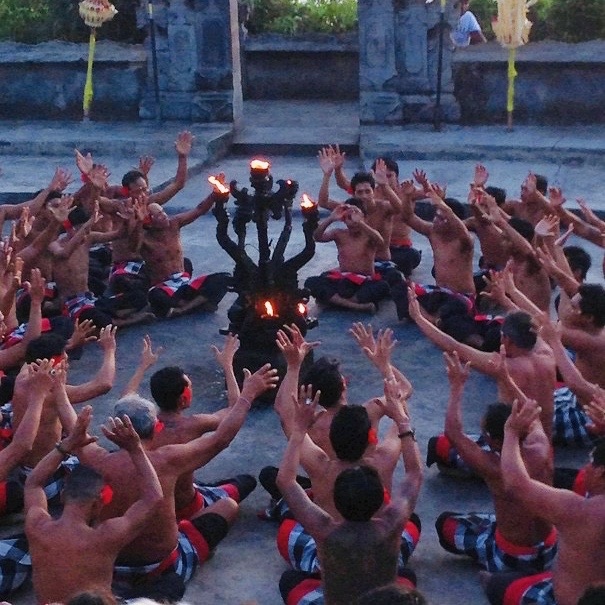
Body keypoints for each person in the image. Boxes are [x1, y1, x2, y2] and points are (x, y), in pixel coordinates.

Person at [69, 365, 278, 601]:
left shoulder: (96, 459)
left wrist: (55, 391)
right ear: (155, 426)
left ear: (116, 431)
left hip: (114, 565)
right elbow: (222, 438)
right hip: (164, 562)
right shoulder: (168, 459)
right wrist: (247, 394)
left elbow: (70, 424)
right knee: (229, 504)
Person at [277, 378, 423, 605]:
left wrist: (299, 430)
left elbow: (285, 481)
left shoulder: (324, 529)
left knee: (289, 581)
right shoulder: (392, 522)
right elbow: (415, 474)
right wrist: (402, 419)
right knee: (407, 577)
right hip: (383, 600)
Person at [25, 404, 163, 605]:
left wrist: (67, 445)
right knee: (169, 584)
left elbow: (33, 483)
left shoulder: (36, 525)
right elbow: (154, 497)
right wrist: (135, 449)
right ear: (98, 503)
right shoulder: (105, 536)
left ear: (63, 495)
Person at [434, 351, 556, 573]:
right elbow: (531, 409)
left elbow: (454, 432)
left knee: (445, 524)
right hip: (551, 548)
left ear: (494, 439)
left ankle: (497, 578)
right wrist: (505, 377)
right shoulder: (541, 445)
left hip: (514, 554)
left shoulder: (494, 467)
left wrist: (457, 386)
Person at [482, 399, 605, 605]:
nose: (586, 467)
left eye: (591, 462)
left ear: (602, 473)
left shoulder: (580, 511)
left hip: (574, 600)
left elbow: (516, 484)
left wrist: (510, 432)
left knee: (495, 584)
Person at [123, 334, 257, 520]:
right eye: (190, 387)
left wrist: (143, 365)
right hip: (186, 506)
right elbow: (233, 409)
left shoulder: (141, 422)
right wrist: (228, 365)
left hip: (149, 501)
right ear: (183, 398)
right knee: (245, 482)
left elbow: (126, 401)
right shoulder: (193, 425)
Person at [141, 191, 232, 318]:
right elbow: (126, 240)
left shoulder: (174, 224)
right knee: (154, 297)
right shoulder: (143, 239)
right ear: (149, 222)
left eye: (163, 212)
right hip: (165, 287)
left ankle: (184, 309)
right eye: (159, 215)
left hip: (184, 283)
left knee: (225, 278)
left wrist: (214, 194)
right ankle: (200, 302)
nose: (165, 216)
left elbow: (199, 210)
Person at [304, 201, 389, 313]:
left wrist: (361, 223)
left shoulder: (370, 235)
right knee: (311, 282)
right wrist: (331, 218)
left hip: (364, 282)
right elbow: (317, 237)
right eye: (349, 217)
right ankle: (356, 306)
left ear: (364, 217)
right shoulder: (339, 233)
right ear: (343, 220)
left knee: (383, 286)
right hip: (342, 280)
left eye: (356, 216)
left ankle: (336, 301)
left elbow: (381, 242)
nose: (353, 221)